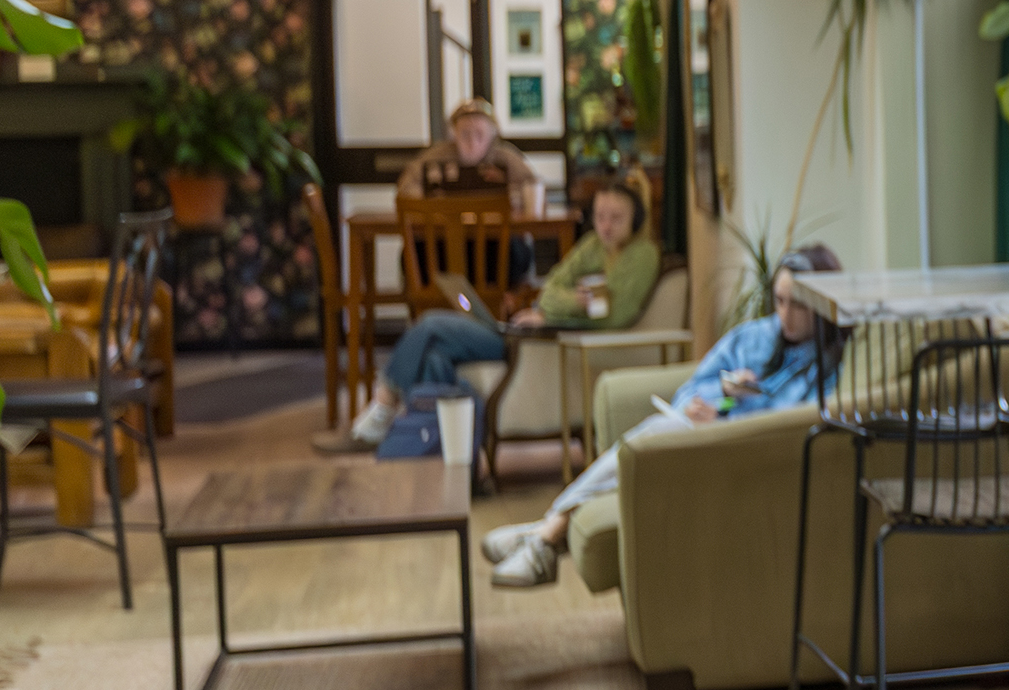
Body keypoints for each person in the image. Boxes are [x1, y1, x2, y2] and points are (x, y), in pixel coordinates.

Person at [482, 245, 842, 587]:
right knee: (659, 434)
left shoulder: (826, 367)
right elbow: (695, 388)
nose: (785, 315)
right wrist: (720, 401)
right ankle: (544, 538)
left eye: (797, 304)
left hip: (741, 450)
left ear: (822, 303)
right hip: (698, 429)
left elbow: (790, 424)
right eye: (779, 301)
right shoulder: (755, 336)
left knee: (656, 436)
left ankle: (541, 535)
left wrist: (724, 420)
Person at [315, 176, 655, 455]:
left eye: (617, 218)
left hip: (539, 341)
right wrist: (572, 302)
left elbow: (614, 314)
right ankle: (445, 457)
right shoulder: (594, 246)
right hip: (530, 328)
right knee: (436, 357)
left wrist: (563, 310)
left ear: (636, 219)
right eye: (600, 217)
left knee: (430, 325)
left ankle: (383, 409)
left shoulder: (641, 255)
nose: (606, 226)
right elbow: (551, 289)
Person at [399, 97, 545, 213]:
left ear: (492, 134)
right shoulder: (437, 156)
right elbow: (405, 190)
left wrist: (508, 198)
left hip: (496, 237)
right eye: (465, 134)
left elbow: (534, 192)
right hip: (445, 236)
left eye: (479, 134)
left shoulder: (506, 158)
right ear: (454, 134)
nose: (472, 142)